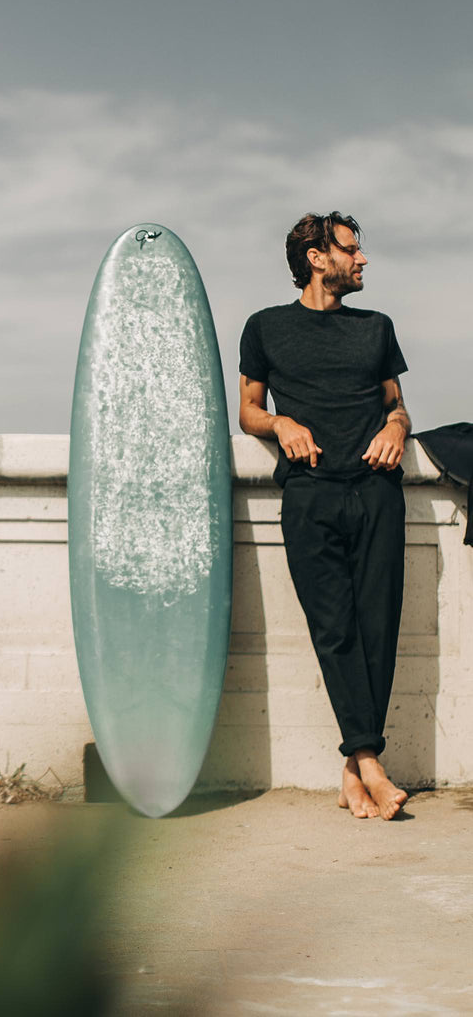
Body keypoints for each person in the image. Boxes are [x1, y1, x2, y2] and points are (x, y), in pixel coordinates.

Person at [238, 212, 411, 820]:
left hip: (378, 490)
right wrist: (282, 423)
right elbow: (250, 412)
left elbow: (399, 407)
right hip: (310, 495)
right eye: (351, 251)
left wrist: (395, 427)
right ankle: (368, 763)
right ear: (315, 257)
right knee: (334, 630)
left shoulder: (376, 328)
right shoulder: (265, 328)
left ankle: (357, 767)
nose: (362, 261)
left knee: (378, 629)